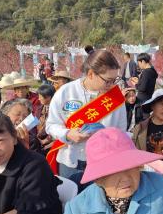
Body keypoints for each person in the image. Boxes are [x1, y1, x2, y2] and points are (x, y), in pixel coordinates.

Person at [46, 49, 126, 181]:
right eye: (108, 80)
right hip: (70, 160)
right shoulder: (66, 92)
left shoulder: (115, 98)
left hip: (103, 162)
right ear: (90, 74)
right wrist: (67, 134)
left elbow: (121, 132)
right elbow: (51, 125)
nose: (112, 85)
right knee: (71, 199)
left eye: (115, 80)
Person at [36, 84, 56, 155]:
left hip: (51, 144)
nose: (39, 99)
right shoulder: (39, 109)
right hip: (39, 141)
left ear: (48, 97)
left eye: (40, 97)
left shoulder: (56, 111)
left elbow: (56, 131)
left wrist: (45, 141)